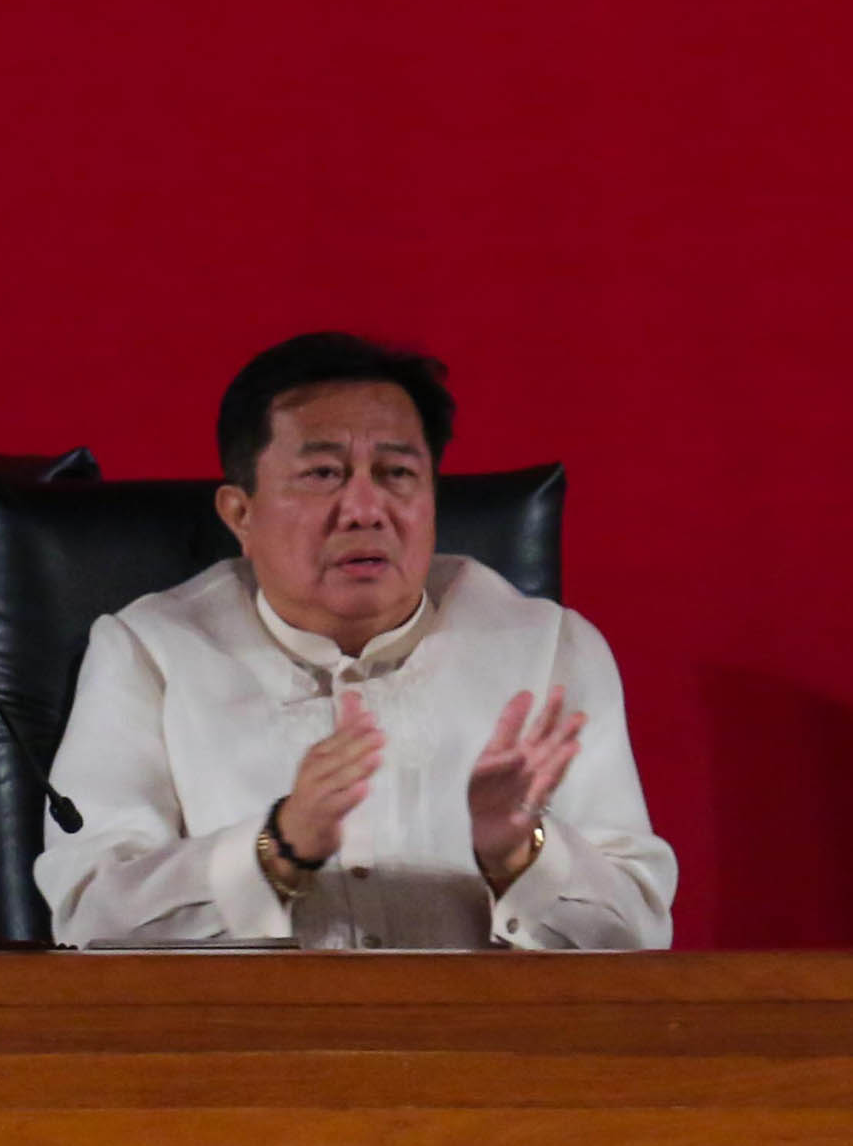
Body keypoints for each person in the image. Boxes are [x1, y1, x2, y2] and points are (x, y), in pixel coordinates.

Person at [36, 332, 676, 950]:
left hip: (491, 1048)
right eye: (322, 473)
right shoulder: (149, 653)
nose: (366, 508)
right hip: (248, 1050)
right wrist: (277, 849)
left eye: (397, 472)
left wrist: (520, 852)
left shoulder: (549, 650)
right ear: (240, 514)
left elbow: (641, 931)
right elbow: (87, 916)